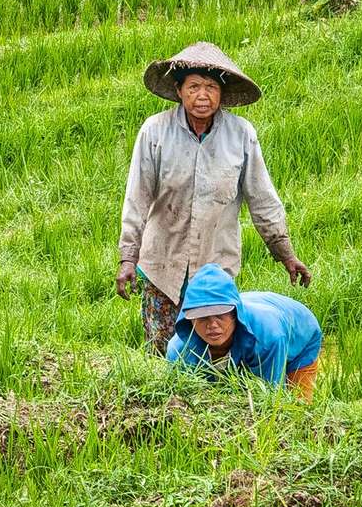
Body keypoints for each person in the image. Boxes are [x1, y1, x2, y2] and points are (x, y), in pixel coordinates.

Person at [116, 41, 309, 355]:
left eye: (209, 87)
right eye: (193, 87)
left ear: (222, 92)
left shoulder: (241, 135)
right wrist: (128, 258)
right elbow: (137, 198)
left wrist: (285, 254)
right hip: (163, 266)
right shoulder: (155, 132)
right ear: (179, 90)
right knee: (164, 353)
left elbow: (262, 199)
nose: (202, 96)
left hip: (215, 271)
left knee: (215, 352)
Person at [166, 263, 322, 398]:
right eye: (202, 317)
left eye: (220, 314)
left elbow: (270, 398)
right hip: (257, 329)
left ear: (235, 313)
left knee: (294, 410)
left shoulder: (269, 337)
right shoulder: (178, 351)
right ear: (189, 320)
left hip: (300, 333)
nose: (212, 324)